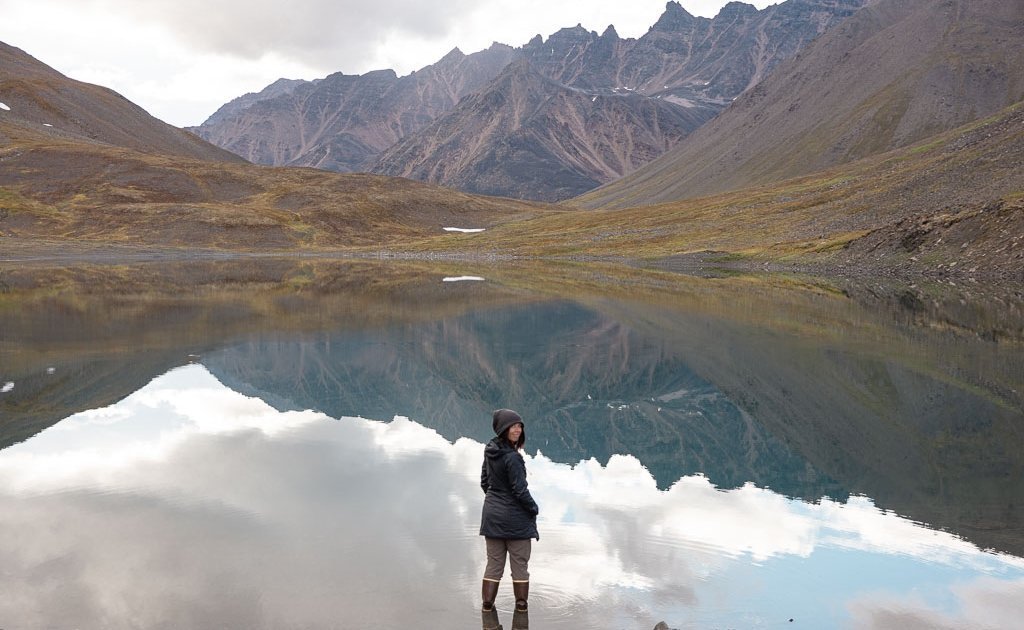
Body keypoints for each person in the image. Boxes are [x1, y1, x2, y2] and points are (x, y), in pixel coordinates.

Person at [479, 408, 539, 613]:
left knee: (494, 564)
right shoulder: (512, 458)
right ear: (503, 429)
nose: (517, 430)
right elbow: (520, 491)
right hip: (515, 521)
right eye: (513, 426)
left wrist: (497, 501)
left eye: (519, 425)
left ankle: (487, 607)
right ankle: (521, 609)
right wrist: (533, 509)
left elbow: (485, 483)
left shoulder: (490, 450)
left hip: (492, 517)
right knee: (520, 565)